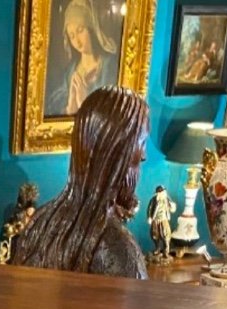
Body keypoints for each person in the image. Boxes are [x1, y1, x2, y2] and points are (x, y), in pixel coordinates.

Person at [13, 86, 150, 278]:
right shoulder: (119, 248)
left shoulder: (40, 222)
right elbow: (138, 307)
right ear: (118, 151)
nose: (143, 156)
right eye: (142, 144)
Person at [47, 0, 118, 116]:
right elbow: (54, 105)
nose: (77, 42)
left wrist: (85, 102)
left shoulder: (108, 65)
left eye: (80, 31)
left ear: (91, 29)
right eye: (72, 36)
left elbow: (112, 110)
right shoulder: (71, 70)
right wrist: (70, 107)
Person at [146, 186, 176, 259]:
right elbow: (149, 209)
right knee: (155, 235)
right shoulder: (153, 200)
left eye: (163, 192)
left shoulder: (167, 199)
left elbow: (172, 209)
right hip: (155, 220)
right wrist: (149, 217)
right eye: (161, 192)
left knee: (166, 235)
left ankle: (166, 251)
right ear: (158, 193)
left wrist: (172, 206)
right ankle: (158, 249)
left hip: (164, 219)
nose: (162, 193)